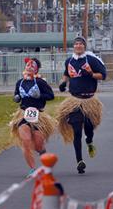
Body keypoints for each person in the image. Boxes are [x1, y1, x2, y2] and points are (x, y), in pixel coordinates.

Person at [56, 36, 107, 174]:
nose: (78, 46)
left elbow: (103, 75)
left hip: (89, 101)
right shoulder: (69, 61)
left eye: (81, 44)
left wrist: (90, 73)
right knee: (77, 131)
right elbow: (66, 75)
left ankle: (89, 141)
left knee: (89, 128)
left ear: (84, 46)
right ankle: (79, 161)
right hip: (74, 101)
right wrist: (62, 83)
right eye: (76, 44)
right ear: (74, 47)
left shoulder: (91, 60)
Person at [9, 57, 56, 177]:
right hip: (23, 114)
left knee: (38, 144)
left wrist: (39, 96)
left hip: (38, 115)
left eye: (32, 66)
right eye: (28, 65)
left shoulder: (40, 82)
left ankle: (43, 154)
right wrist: (17, 98)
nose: (29, 67)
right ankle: (32, 169)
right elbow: (16, 95)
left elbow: (51, 96)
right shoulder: (20, 82)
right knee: (26, 141)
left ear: (36, 70)